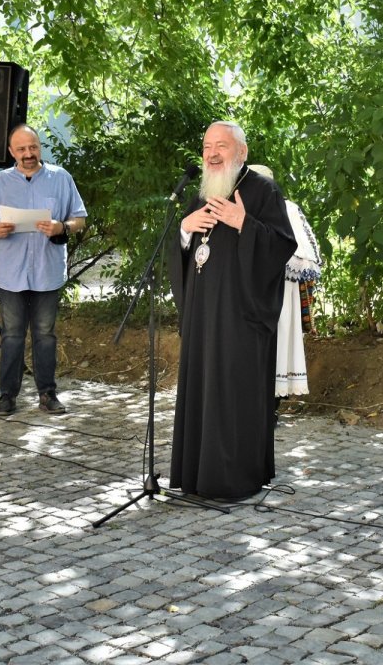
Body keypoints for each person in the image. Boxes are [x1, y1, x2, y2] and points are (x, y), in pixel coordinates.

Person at [168, 121, 296, 500]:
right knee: (202, 392)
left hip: (240, 320)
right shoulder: (201, 195)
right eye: (207, 146)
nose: (212, 153)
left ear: (242, 152)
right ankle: (197, 475)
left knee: (232, 396)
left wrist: (244, 223)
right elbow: (187, 257)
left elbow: (282, 246)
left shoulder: (263, 191)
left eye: (221, 146)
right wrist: (184, 230)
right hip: (202, 318)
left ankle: (235, 478)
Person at [0, 123, 87, 417]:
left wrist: (61, 226)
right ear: (11, 152)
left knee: (45, 334)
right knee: (12, 335)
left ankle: (47, 393)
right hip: (12, 272)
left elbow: (80, 219)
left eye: (33, 147)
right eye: (22, 149)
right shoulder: (1, 182)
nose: (28, 154)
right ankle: (7, 396)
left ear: (40, 147)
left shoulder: (61, 178)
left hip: (47, 271)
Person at [247, 164, 323, 406]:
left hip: (278, 291)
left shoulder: (285, 208)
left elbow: (305, 259)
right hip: (256, 292)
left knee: (274, 349)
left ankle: (270, 406)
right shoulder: (241, 205)